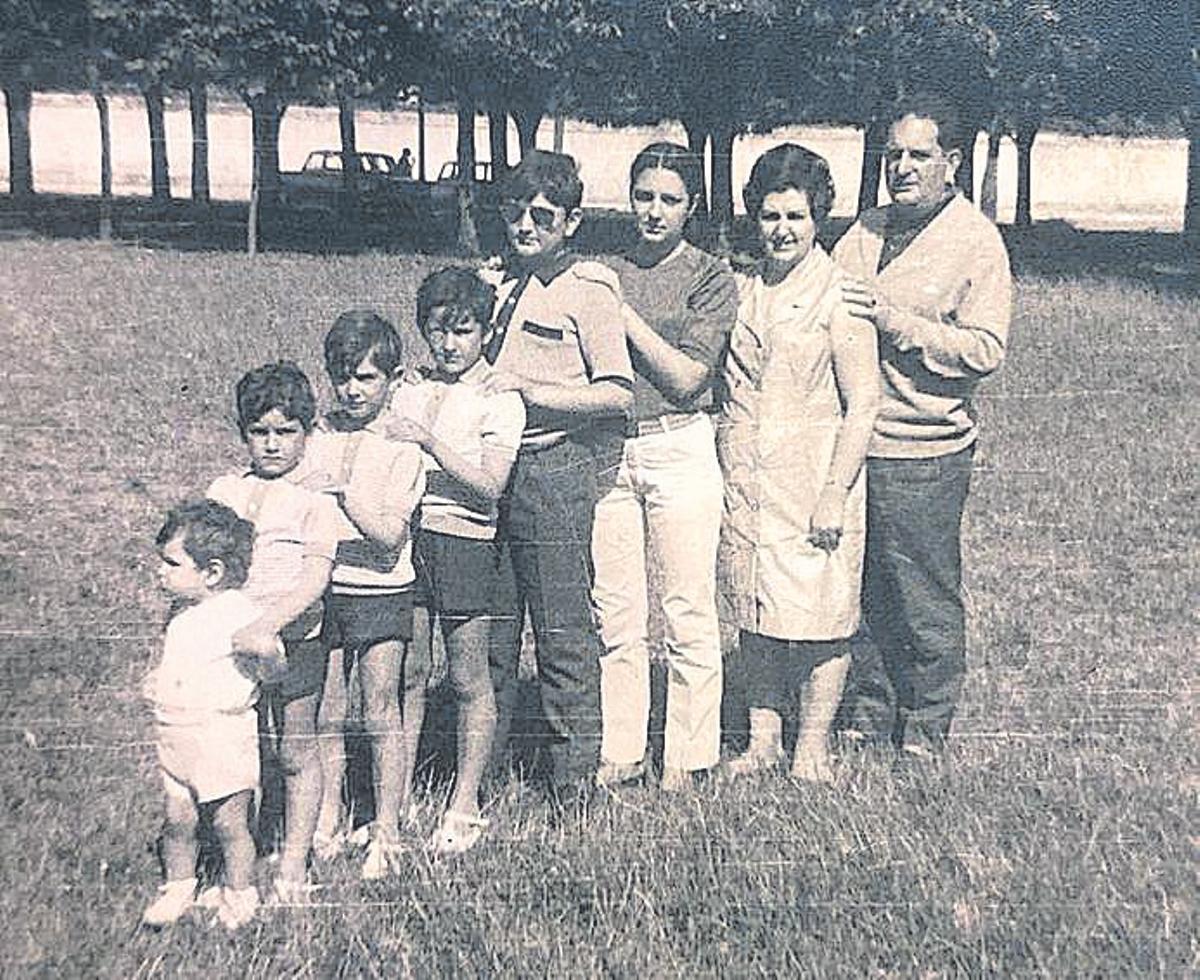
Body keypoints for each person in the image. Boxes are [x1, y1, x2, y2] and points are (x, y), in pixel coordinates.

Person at [833, 93, 1013, 760]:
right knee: (862, 585)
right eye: (894, 155)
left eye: (919, 155)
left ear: (952, 163)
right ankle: (871, 711)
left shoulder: (976, 241)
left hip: (925, 450)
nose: (902, 167)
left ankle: (927, 728)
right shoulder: (866, 230)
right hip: (855, 445)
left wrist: (896, 323)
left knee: (923, 594)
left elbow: (986, 350)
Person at [718, 144, 880, 783]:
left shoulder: (839, 294)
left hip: (816, 476)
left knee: (820, 615)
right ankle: (763, 741)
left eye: (796, 216)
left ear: (820, 219)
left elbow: (864, 401)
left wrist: (834, 492)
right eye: (769, 216)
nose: (781, 230)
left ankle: (812, 748)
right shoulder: (743, 288)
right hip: (748, 476)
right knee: (755, 608)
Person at [481, 150, 634, 809]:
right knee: (489, 635)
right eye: (513, 211)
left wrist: (531, 390)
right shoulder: (501, 284)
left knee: (562, 636)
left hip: (553, 473)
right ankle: (478, 779)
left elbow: (616, 394)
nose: (525, 225)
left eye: (542, 215)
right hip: (492, 473)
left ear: (570, 221)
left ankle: (573, 787)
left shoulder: (589, 288)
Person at [592, 142, 736, 792]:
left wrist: (621, 316)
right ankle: (622, 749)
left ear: (692, 207)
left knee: (686, 609)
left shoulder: (710, 276)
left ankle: (688, 756)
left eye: (669, 200)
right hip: (611, 449)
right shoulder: (603, 269)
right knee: (616, 611)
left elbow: (686, 377)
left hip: (681, 444)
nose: (653, 212)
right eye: (644, 196)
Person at [387, 267, 525, 853]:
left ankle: (465, 803)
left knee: (469, 677)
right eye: (437, 331)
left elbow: (491, 485)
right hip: (408, 539)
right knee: (411, 674)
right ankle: (396, 797)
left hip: (466, 542)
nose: (449, 345)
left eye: (463, 332)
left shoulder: (499, 396)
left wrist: (428, 442)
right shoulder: (410, 387)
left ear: (485, 331)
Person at [206, 362, 341, 902]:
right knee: (243, 750)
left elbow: (315, 577)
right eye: (259, 432)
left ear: (306, 433)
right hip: (233, 643)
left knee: (294, 750)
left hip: (294, 639)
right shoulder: (224, 490)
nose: (272, 445)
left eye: (286, 432)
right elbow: (204, 561)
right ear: (244, 433)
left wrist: (268, 623)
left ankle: (293, 864)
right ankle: (244, 850)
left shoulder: (315, 500)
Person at [299, 312, 426, 880]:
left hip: (381, 590)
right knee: (327, 710)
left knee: (380, 708)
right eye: (343, 376)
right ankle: (326, 818)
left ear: (393, 378)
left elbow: (391, 535)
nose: (352, 390)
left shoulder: (401, 443)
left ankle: (387, 830)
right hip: (326, 589)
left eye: (367, 378)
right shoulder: (318, 436)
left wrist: (343, 493)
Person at [141, 500, 262, 930]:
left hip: (220, 735)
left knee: (230, 823)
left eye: (172, 564)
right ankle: (178, 888)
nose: (161, 572)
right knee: (178, 820)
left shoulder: (238, 613)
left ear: (211, 573)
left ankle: (239, 893)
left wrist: (266, 656)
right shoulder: (179, 613)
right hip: (174, 734)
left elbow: (271, 661)